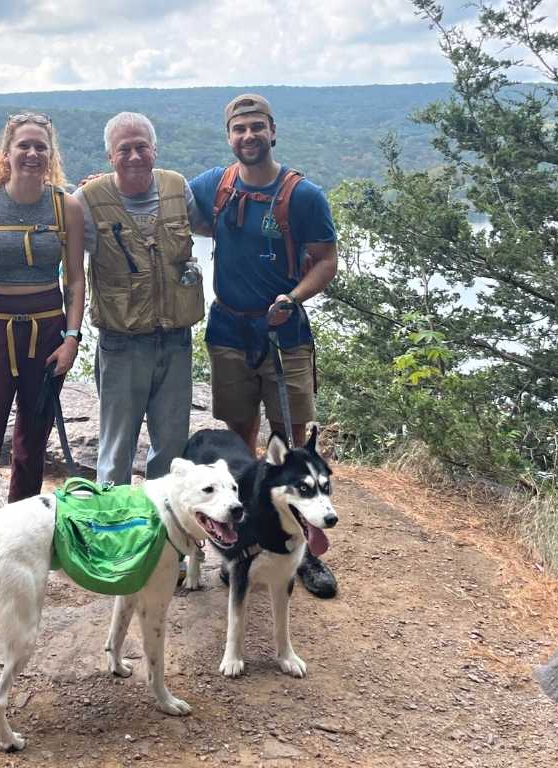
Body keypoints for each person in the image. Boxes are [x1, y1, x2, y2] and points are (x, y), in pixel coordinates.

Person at [188, 93, 339, 597]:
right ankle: (246, 540)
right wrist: (99, 192)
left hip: (283, 331)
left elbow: (325, 261)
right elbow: (163, 204)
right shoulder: (215, 185)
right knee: (239, 441)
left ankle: (301, 554)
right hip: (228, 328)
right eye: (239, 129)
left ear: (273, 132)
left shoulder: (303, 195)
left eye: (257, 128)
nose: (248, 137)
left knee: (292, 441)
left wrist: (293, 297)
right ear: (229, 136)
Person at [0, 113, 86, 502]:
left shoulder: (65, 207)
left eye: (40, 146)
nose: (31, 153)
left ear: (50, 153)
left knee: (31, 449)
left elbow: (75, 277)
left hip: (47, 334)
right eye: (23, 145)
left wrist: (72, 339)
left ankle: (20, 531)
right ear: (6, 153)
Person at [73, 112, 206, 487]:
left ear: (155, 150)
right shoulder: (87, 201)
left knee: (171, 447)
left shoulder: (178, 188)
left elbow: (209, 229)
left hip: (176, 342)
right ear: (109, 157)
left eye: (141, 147)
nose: (134, 157)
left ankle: (162, 531)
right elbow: (61, 260)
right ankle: (112, 529)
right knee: (116, 450)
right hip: (122, 345)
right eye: (124, 149)